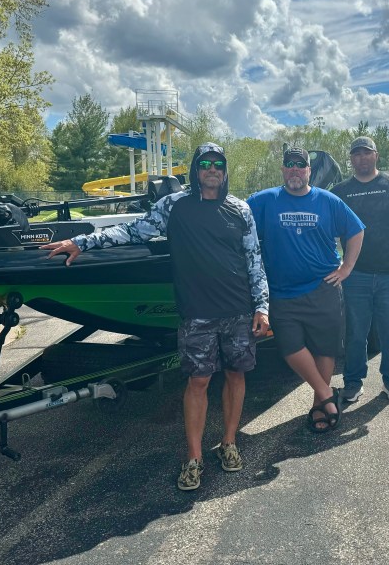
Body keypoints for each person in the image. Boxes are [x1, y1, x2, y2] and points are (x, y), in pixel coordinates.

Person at [40, 143, 269, 491]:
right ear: (195, 169)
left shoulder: (240, 209)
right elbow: (134, 230)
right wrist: (83, 242)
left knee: (236, 376)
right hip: (197, 313)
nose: (212, 169)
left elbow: (254, 260)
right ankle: (194, 457)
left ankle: (229, 442)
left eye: (218, 164)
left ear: (225, 170)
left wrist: (262, 307)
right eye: (205, 163)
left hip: (238, 310)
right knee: (198, 382)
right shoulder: (174, 205)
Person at [247, 147, 364, 433]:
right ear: (283, 169)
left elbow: (356, 230)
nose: (295, 170)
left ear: (309, 170)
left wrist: (347, 268)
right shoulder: (265, 200)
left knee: (325, 348)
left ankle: (318, 406)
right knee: (290, 347)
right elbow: (235, 215)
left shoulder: (327, 201)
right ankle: (326, 393)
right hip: (281, 292)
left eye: (301, 165)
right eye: (290, 164)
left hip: (323, 288)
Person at [330, 136, 389, 404]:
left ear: (376, 155)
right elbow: (328, 230)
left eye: (366, 153)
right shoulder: (341, 191)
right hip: (354, 276)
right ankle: (353, 383)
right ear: (351, 159)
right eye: (357, 154)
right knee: (355, 334)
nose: (362, 158)